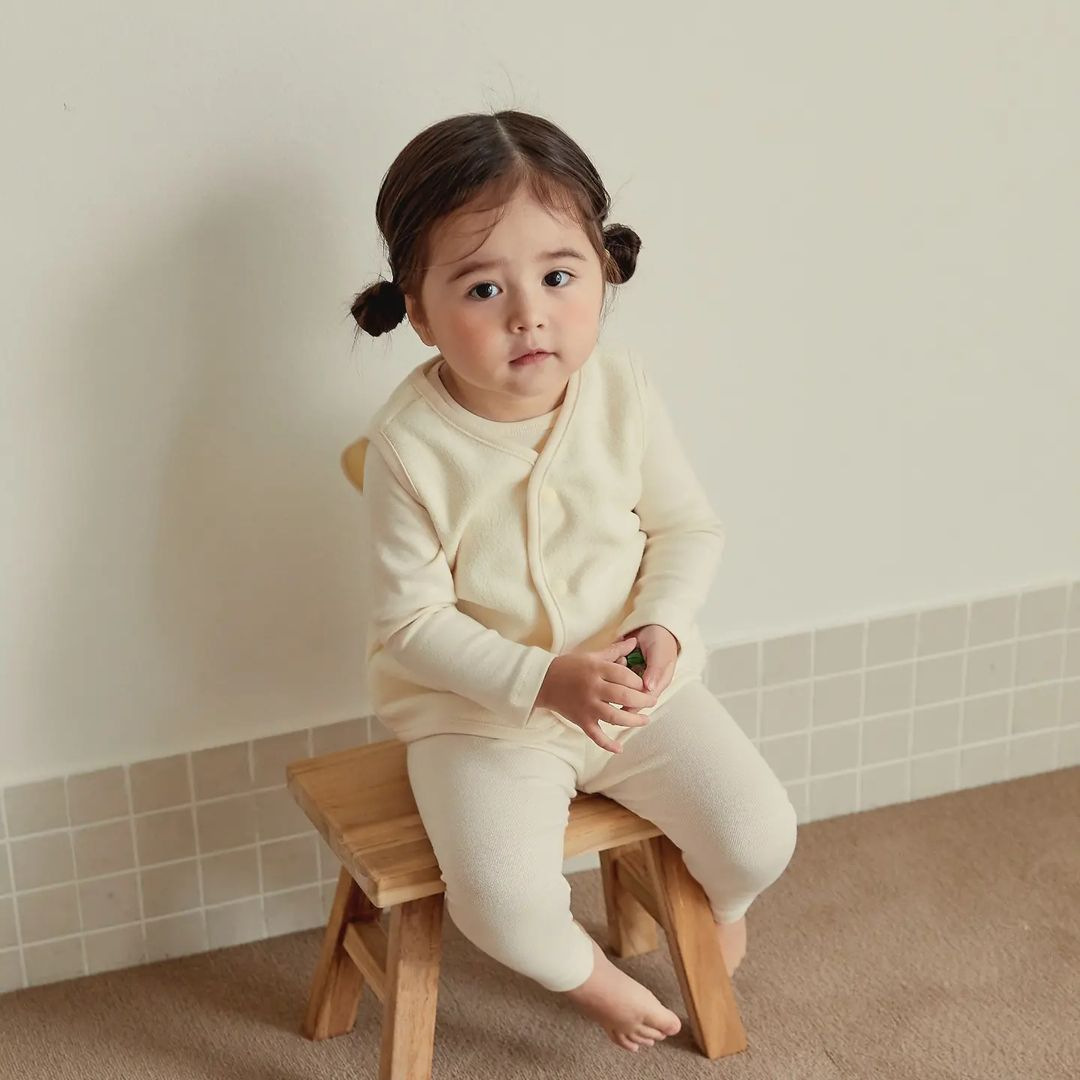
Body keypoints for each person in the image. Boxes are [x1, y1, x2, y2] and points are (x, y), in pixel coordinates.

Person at [346, 109, 798, 1054]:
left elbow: (685, 527)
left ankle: (724, 906)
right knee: (499, 900)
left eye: (558, 276)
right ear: (418, 311)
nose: (529, 314)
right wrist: (544, 680)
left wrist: (661, 627)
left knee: (759, 833)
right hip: (483, 718)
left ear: (603, 270)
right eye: (483, 288)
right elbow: (412, 623)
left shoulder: (622, 390)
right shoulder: (409, 445)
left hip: (636, 691)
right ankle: (589, 980)